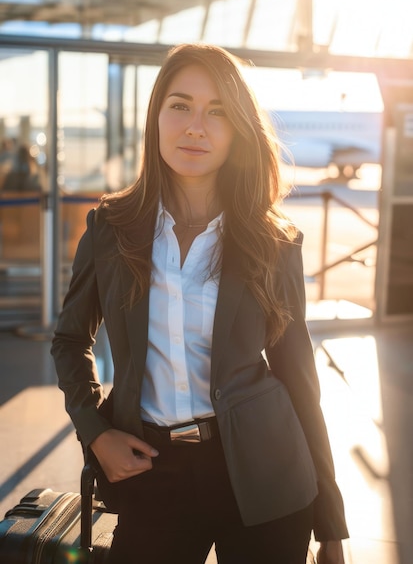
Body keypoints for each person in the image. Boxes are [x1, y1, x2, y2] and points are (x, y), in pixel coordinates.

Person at [51, 42, 348, 564]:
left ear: (238, 131)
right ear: (156, 117)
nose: (196, 127)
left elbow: (299, 378)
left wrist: (331, 526)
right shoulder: (110, 228)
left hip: (265, 473)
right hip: (153, 469)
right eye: (180, 105)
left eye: (217, 113)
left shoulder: (272, 242)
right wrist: (96, 432)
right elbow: (71, 340)